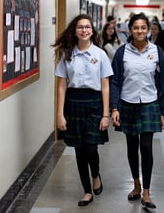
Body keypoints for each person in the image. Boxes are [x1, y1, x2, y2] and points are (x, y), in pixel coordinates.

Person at [52, 14, 113, 207]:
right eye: (80, 27)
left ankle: (95, 174)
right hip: (74, 103)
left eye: (87, 27)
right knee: (79, 149)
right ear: (75, 31)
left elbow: (105, 86)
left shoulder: (100, 54)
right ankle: (87, 190)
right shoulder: (66, 54)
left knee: (91, 148)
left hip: (94, 103)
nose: (84, 30)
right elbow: (61, 86)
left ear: (92, 31)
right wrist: (60, 114)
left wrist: (106, 114)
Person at [110, 13, 164, 209]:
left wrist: (162, 110)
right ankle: (136, 184)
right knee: (132, 147)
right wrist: (114, 107)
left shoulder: (156, 51)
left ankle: (147, 192)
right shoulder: (121, 53)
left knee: (147, 147)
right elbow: (115, 81)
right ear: (130, 29)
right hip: (128, 102)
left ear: (149, 30)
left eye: (143, 27)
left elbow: (161, 83)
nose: (140, 31)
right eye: (136, 28)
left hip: (150, 103)